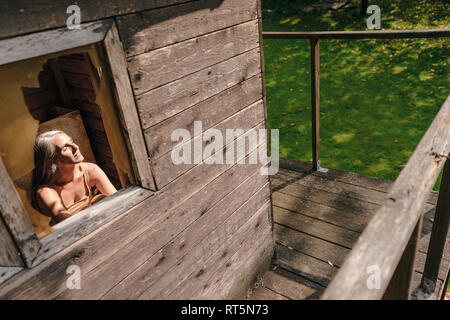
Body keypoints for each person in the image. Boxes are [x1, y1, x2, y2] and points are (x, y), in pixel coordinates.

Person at [31, 130, 117, 226]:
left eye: (72, 142)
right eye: (66, 148)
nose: (76, 147)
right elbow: (70, 225)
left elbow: (118, 199)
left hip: (93, 224)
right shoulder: (46, 191)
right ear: (52, 160)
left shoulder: (90, 170)